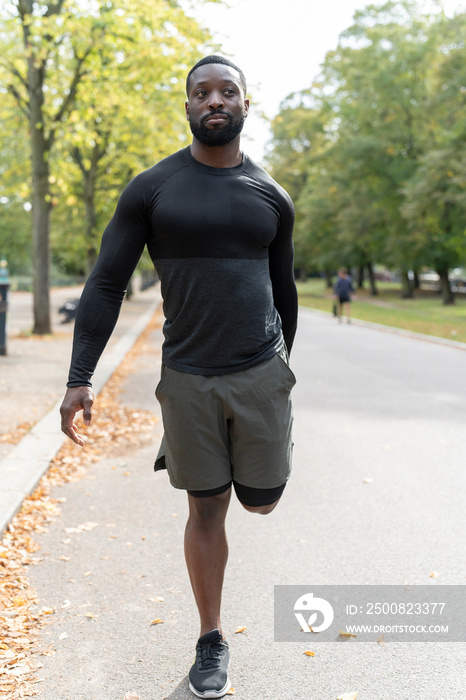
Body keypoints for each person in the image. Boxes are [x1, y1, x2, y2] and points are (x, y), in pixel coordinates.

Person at [60, 55, 297, 699]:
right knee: (207, 504)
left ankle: (249, 453)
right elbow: (107, 282)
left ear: (246, 104)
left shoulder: (272, 194)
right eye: (201, 92)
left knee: (263, 500)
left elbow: (285, 290)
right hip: (189, 377)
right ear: (187, 105)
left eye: (227, 91)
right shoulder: (152, 189)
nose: (214, 100)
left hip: (259, 374)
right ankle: (211, 639)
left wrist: (281, 374)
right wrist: (81, 375)